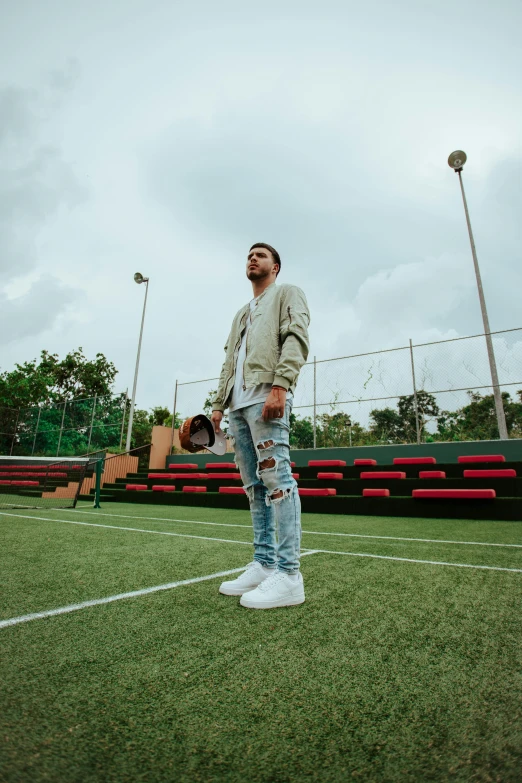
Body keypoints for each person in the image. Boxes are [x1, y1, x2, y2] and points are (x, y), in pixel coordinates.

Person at [211, 243, 310, 609]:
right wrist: (219, 405)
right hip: (237, 407)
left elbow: (296, 338)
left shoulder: (287, 293)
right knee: (254, 487)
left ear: (276, 266)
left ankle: (289, 574)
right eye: (249, 255)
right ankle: (266, 564)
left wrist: (281, 385)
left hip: (267, 397)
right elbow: (228, 362)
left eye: (261, 255)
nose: (252, 258)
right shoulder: (240, 313)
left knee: (278, 481)